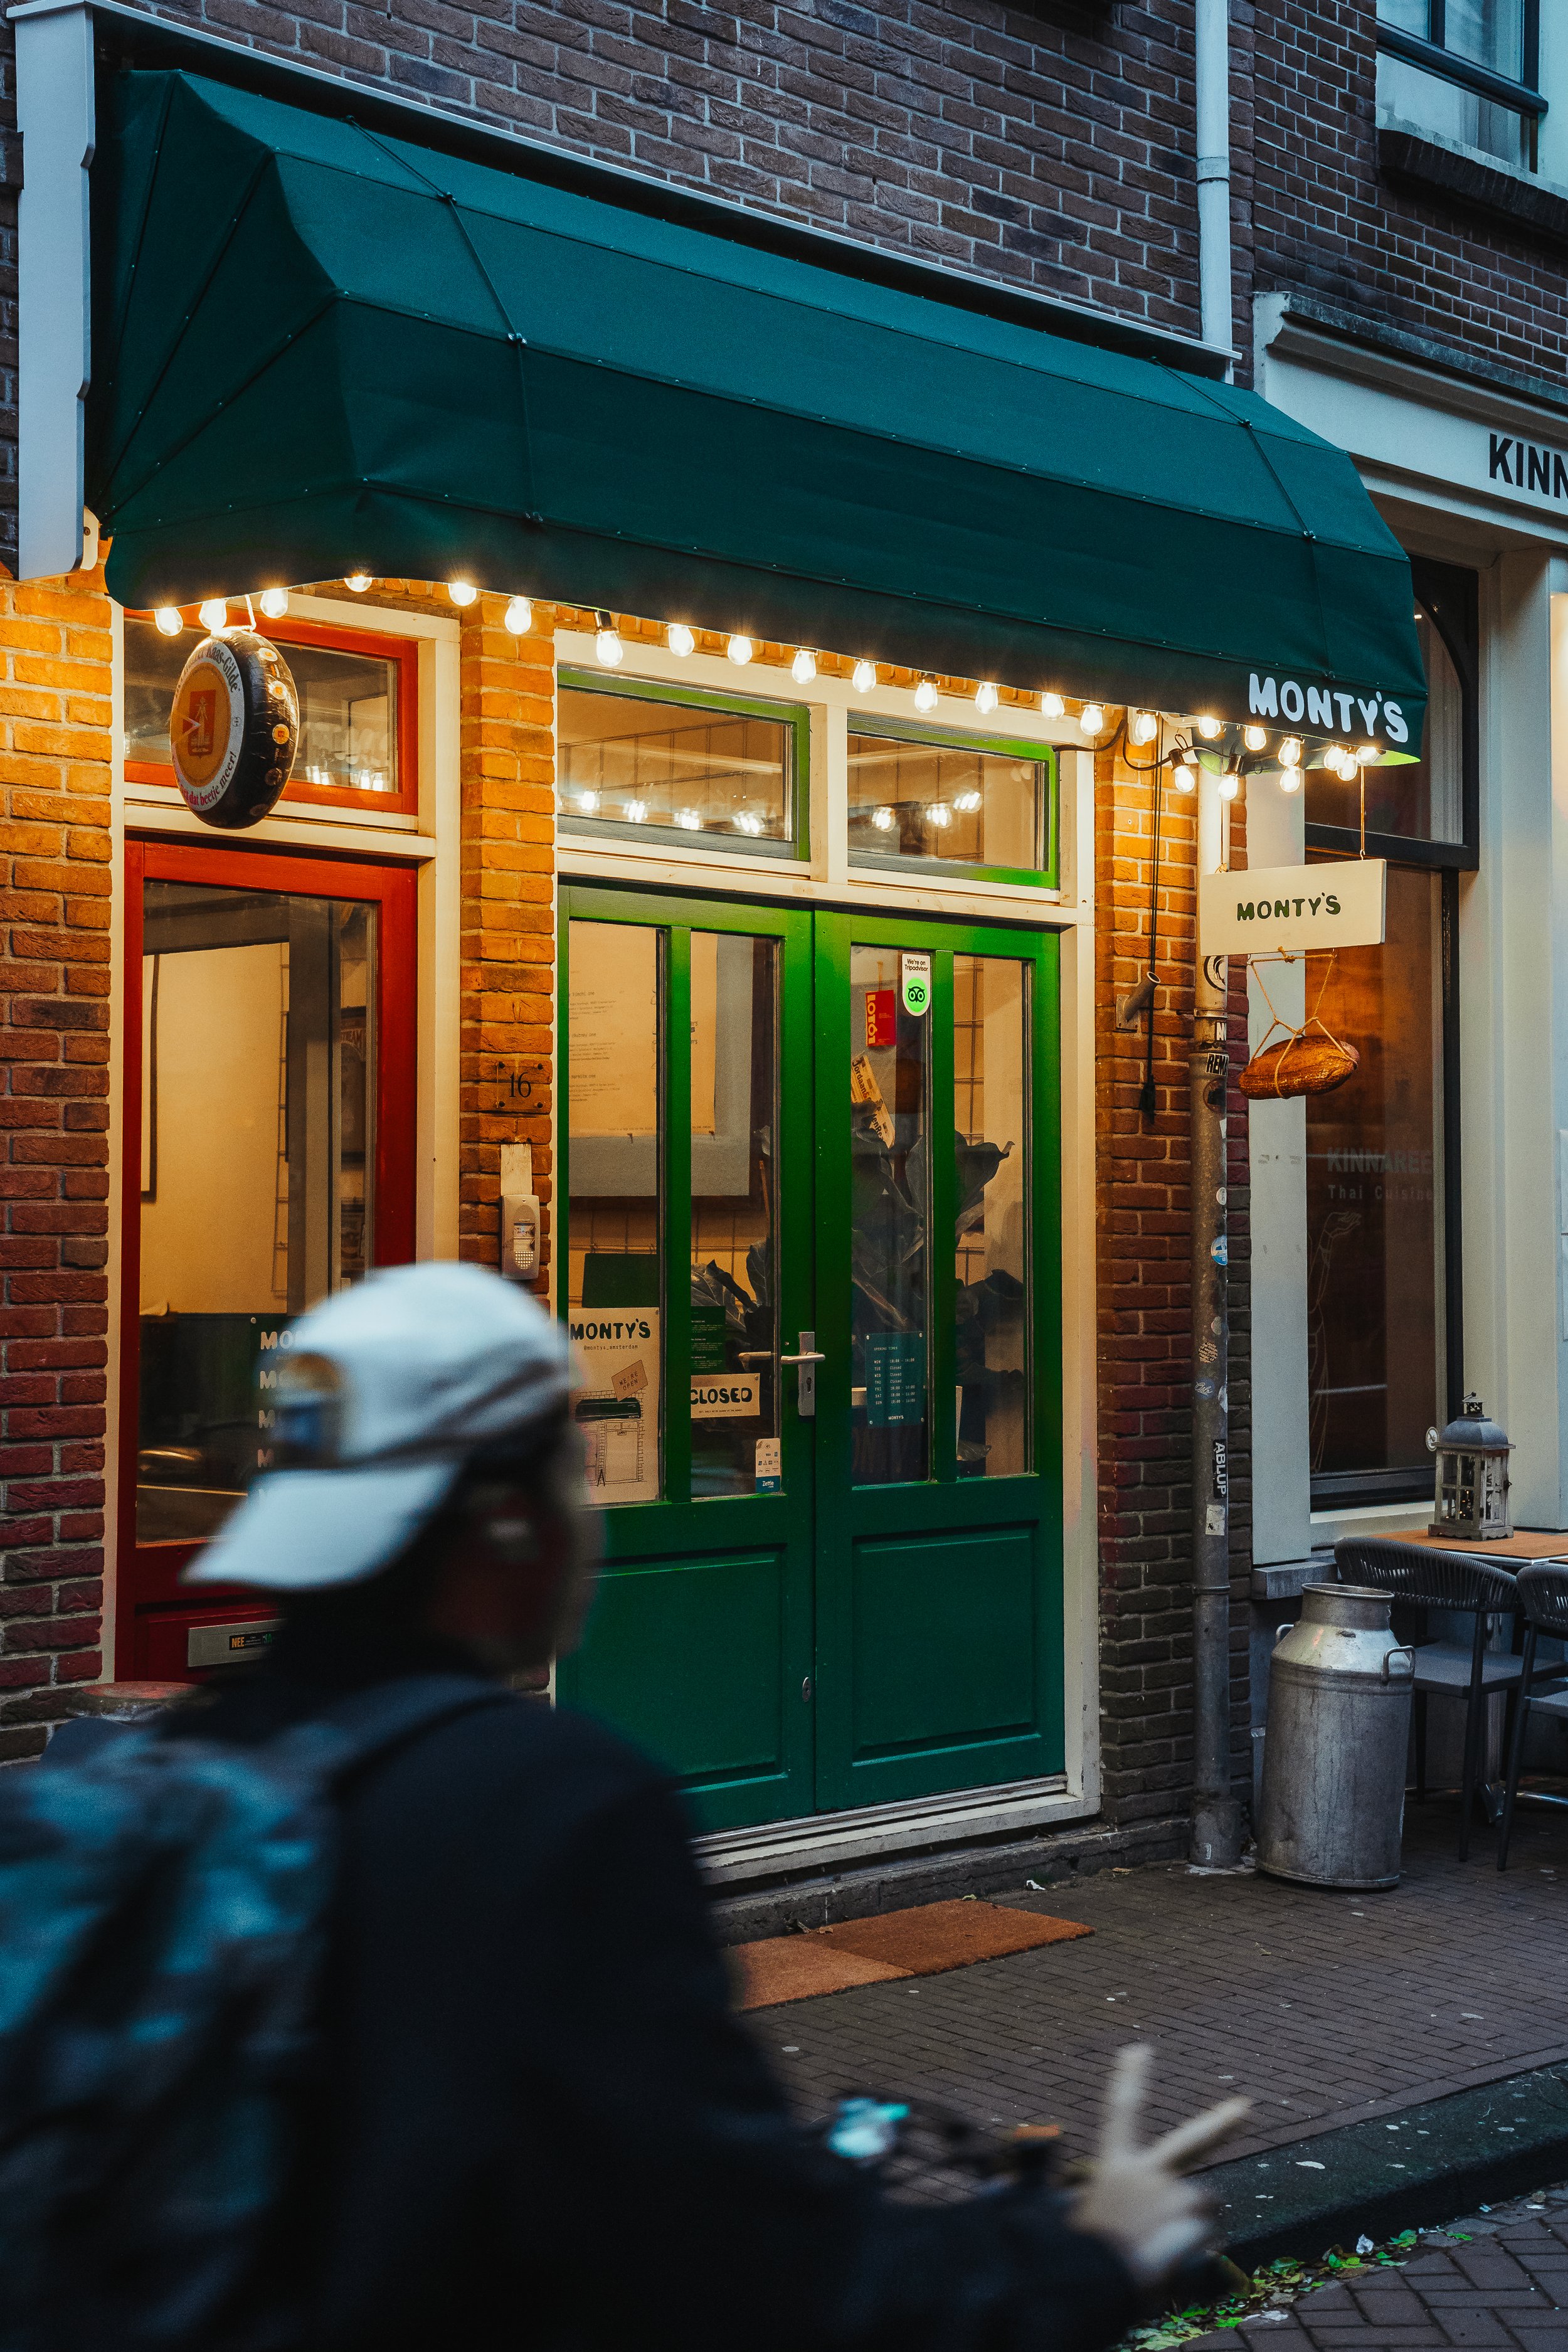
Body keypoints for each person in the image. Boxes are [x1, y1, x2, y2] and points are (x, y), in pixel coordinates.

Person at [170, 1261, 1245, 2352]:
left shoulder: (180, 1775)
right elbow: (770, 2281)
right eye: (571, 1470)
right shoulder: (555, 1815)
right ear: (507, 1521)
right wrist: (1089, 2250)